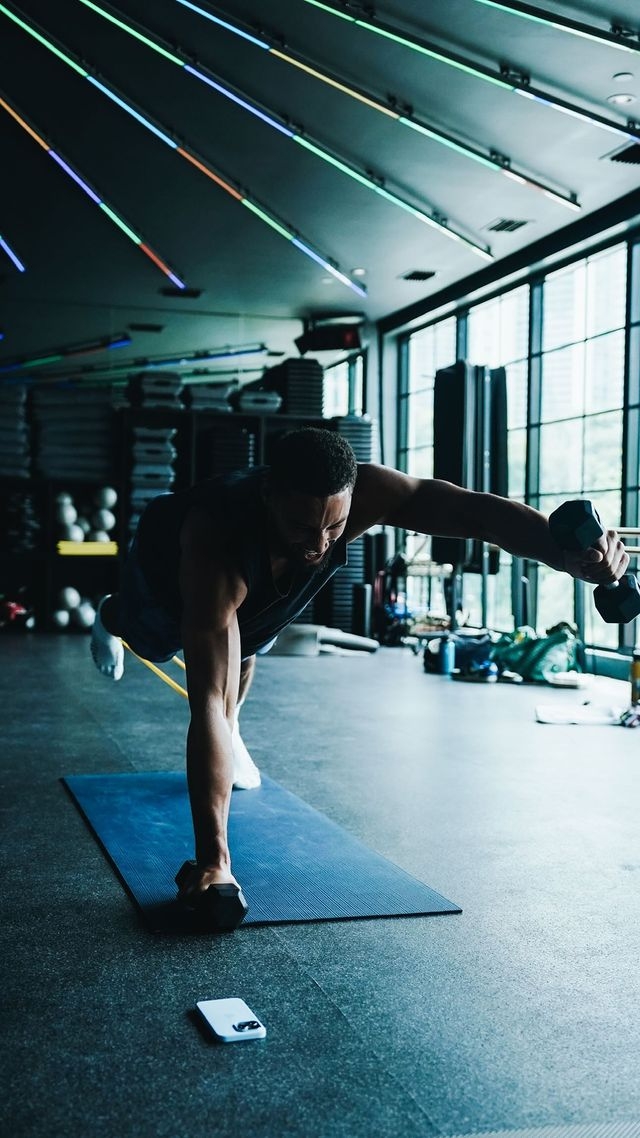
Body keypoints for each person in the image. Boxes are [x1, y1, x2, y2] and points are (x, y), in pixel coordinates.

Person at [90, 427, 629, 905]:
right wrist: (215, 863)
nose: (319, 546)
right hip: (165, 585)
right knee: (156, 640)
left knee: (251, 639)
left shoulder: (365, 493)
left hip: (252, 595)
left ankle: (236, 734)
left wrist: (562, 556)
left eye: (335, 527)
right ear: (268, 495)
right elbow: (203, 699)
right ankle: (106, 616)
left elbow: (473, 512)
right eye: (304, 527)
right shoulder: (214, 542)